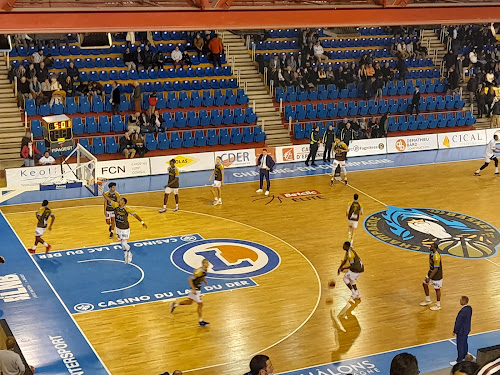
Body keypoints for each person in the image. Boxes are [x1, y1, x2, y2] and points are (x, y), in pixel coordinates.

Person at [103, 195, 147, 264]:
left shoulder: (127, 209)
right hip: (118, 228)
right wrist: (102, 192)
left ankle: (129, 253)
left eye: (121, 200)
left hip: (125, 228)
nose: (119, 201)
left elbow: (135, 215)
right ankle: (125, 253)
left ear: (123, 202)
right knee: (122, 243)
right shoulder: (115, 205)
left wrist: (142, 222)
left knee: (124, 243)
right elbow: (108, 199)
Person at [170, 258, 211, 327]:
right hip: (196, 290)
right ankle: (200, 321)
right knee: (200, 304)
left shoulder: (205, 270)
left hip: (197, 289)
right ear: (203, 264)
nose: (208, 264)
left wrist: (204, 281)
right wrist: (193, 289)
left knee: (189, 302)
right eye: (207, 263)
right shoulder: (198, 271)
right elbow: (190, 279)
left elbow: (202, 277)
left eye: (208, 263)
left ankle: (175, 304)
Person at [420, 242, 443, 311]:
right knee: (424, 284)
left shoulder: (436, 256)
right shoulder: (431, 254)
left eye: (431, 246)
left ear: (435, 248)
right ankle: (428, 300)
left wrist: (429, 277)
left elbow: (436, 269)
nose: (430, 247)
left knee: (437, 289)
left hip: (436, 275)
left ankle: (438, 305)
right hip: (431, 272)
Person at [451, 296, 473, 366]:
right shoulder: (469, 308)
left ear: (463, 301)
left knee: (460, 345)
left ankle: (459, 360)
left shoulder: (462, 311)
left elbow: (458, 322)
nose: (460, 301)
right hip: (466, 329)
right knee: (465, 343)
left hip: (461, 331)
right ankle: (464, 356)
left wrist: (455, 331)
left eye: (461, 300)